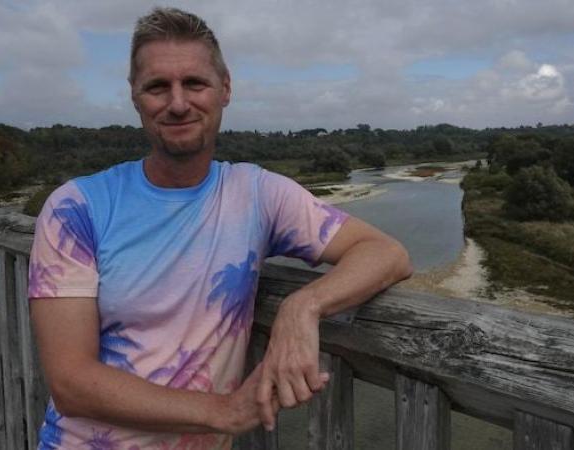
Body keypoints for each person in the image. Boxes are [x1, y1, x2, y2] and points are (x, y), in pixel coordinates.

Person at [29, 6, 412, 449]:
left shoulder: (257, 194)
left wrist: (303, 306)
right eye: (157, 86)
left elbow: (386, 253)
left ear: (224, 89)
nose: (177, 103)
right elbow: (70, 382)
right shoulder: (76, 208)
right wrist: (223, 412)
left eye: (194, 83)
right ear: (135, 96)